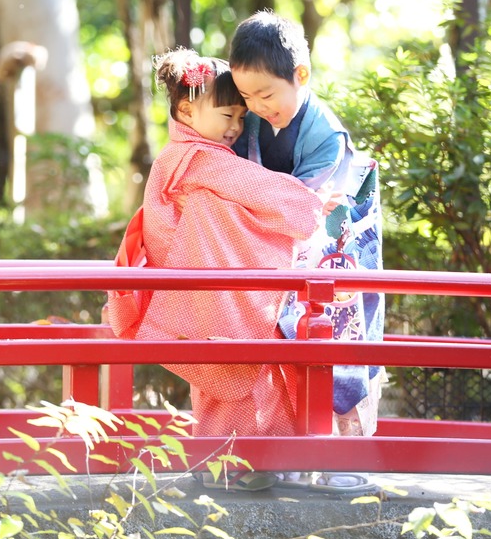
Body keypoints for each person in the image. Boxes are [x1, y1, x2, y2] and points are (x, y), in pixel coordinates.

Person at [106, 48, 332, 493]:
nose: (235, 127)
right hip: (208, 291)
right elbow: (274, 198)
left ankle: (229, 469)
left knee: (225, 386)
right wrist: (313, 203)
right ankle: (246, 469)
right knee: (239, 380)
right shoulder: (201, 159)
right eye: (227, 114)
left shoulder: (180, 155)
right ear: (187, 109)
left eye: (240, 118)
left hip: (200, 290)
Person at [229, 9, 385, 495]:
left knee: (340, 341)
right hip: (283, 241)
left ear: (302, 75)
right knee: (276, 341)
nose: (256, 106)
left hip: (335, 240)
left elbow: (306, 204)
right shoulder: (256, 121)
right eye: (247, 96)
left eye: (267, 94)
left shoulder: (326, 134)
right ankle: (284, 454)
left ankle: (347, 460)